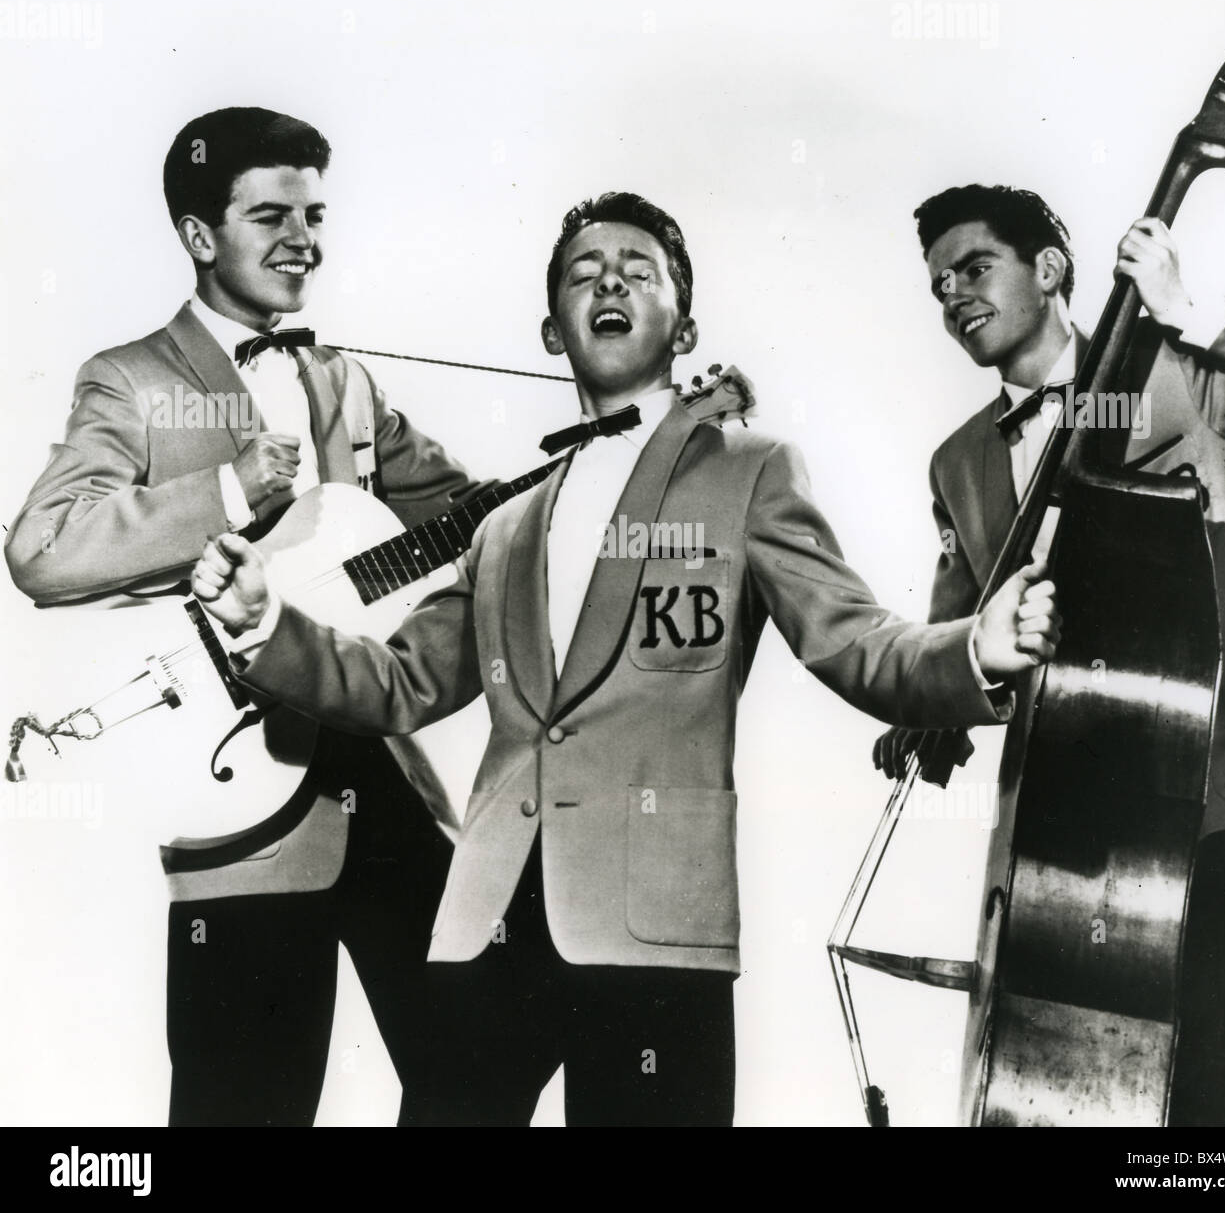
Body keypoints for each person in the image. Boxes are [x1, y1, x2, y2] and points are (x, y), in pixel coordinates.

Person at [191, 190, 1062, 1126]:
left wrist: (976, 647)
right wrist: (264, 624)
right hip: (486, 921)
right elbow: (400, 683)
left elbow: (854, 639)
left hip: (654, 929)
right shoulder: (504, 521)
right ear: (552, 331)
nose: (608, 283)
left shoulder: (749, 469)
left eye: (637, 271)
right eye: (582, 273)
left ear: (682, 328)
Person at [4, 106, 480, 1126]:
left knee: (486, 1052)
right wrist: (220, 492)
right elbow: (40, 551)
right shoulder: (131, 379)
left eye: (313, 212)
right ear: (199, 235)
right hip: (237, 796)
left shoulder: (342, 379)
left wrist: (628, 456)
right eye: (270, 214)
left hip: (376, 767)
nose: (301, 237)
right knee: (245, 1108)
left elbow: (468, 508)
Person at [874, 183, 1225, 1126]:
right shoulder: (957, 463)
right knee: (1072, 1088)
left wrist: (1188, 309)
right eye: (939, 284)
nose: (954, 295)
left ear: (1051, 268)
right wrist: (932, 713)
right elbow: (966, 629)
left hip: (1220, 780)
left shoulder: (1179, 365)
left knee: (1216, 1097)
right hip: (1066, 819)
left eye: (975, 267)